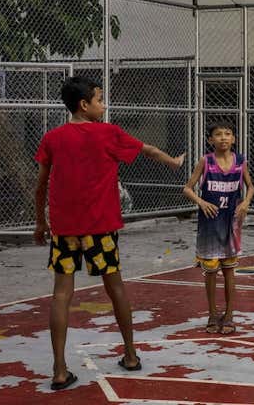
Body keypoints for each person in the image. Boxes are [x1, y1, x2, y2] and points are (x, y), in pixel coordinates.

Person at [32, 77, 186, 391]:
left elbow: (41, 185)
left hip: (64, 229)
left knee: (61, 294)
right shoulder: (108, 133)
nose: (103, 105)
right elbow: (149, 149)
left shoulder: (53, 138)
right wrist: (174, 162)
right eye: (99, 100)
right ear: (84, 105)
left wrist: (40, 222)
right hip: (100, 228)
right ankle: (130, 354)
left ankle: (60, 371)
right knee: (115, 287)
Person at [182, 121, 254, 335]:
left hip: (231, 223)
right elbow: (187, 188)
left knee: (230, 271)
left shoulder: (240, 162)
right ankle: (213, 314)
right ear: (210, 140)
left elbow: (251, 186)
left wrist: (246, 202)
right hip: (210, 225)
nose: (223, 137)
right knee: (211, 272)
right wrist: (202, 202)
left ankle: (230, 314)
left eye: (228, 134)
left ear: (233, 138)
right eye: (218, 134)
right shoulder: (206, 161)